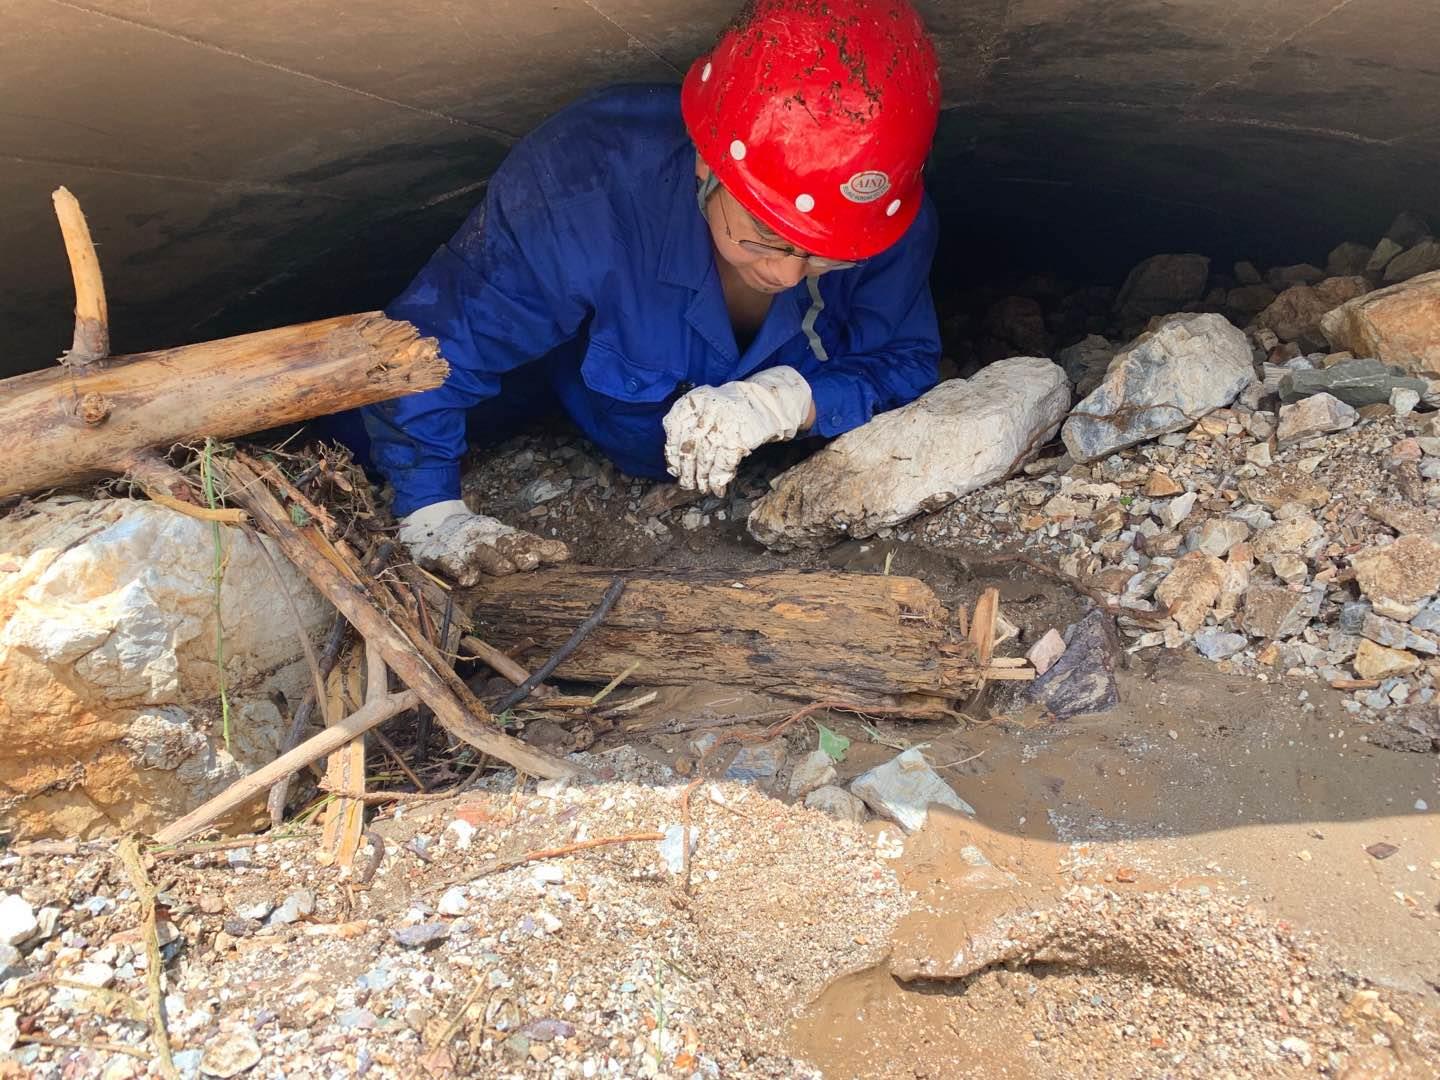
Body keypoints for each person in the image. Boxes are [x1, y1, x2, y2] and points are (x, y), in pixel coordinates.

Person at [362, 0, 942, 584]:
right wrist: (431, 510)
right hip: (545, 383)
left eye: (822, 254)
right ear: (706, 167)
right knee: (349, 439)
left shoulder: (879, 227)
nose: (789, 275)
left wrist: (790, 400)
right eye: (765, 236)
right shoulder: (589, 182)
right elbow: (429, 349)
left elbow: (906, 361)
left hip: (699, 434)